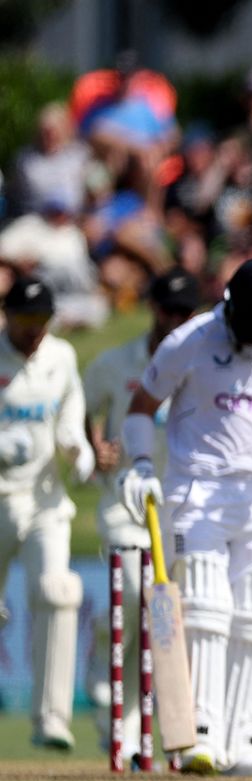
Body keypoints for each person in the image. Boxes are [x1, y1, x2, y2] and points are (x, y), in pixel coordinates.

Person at [115, 258, 252, 776]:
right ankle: (199, 738)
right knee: (207, 609)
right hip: (197, 489)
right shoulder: (189, 341)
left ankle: (243, 742)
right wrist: (141, 464)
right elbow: (141, 407)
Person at [82, 268, 201, 766]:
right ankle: (104, 702)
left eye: (183, 313)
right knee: (129, 598)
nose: (173, 320)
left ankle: (133, 730)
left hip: (179, 507)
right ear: (152, 308)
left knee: (165, 622)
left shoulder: (200, 365)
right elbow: (82, 416)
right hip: (124, 502)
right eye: (166, 310)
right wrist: (95, 448)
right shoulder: (114, 363)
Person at [0, 277, 95, 749]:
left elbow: (72, 421)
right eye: (24, 319)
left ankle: (51, 719)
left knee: (57, 593)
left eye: (41, 320)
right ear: (7, 315)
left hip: (44, 502)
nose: (33, 329)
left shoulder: (61, 357)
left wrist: (79, 454)